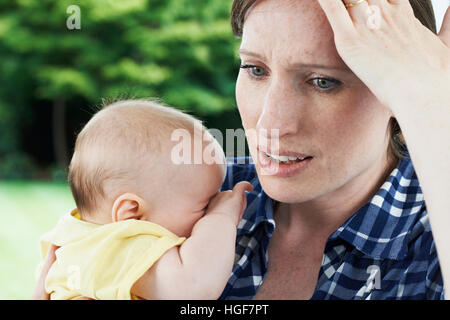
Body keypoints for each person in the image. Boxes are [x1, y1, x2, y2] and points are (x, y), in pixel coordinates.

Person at [34, 0, 450, 300]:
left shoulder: (431, 233)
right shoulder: (191, 188)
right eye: (255, 69)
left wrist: (434, 99)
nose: (270, 123)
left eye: (323, 81)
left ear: (399, 90)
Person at [37, 99, 252, 299]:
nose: (215, 204)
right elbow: (196, 286)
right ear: (132, 213)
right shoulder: (125, 244)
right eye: (205, 205)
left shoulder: (71, 237)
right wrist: (221, 216)